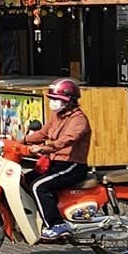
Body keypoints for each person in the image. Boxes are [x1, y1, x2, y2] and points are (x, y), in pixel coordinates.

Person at [21, 78, 91, 241]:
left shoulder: (79, 119)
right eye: (52, 98)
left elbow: (66, 140)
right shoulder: (57, 116)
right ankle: (43, 214)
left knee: (39, 186)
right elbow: (42, 133)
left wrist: (43, 148)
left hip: (72, 165)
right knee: (25, 180)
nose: (53, 102)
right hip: (56, 163)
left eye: (57, 99)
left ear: (69, 100)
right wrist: (21, 141)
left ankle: (57, 225)